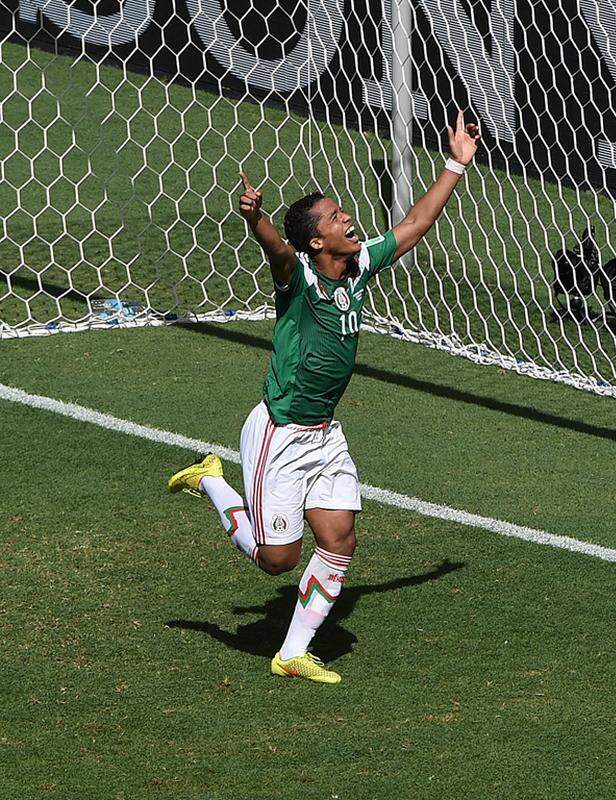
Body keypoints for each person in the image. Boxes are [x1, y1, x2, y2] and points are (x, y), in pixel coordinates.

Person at [167, 113, 480, 683]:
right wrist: (258, 219)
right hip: (280, 434)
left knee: (340, 539)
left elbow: (413, 225)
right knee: (276, 562)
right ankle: (211, 477)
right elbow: (278, 254)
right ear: (317, 240)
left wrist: (456, 162)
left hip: (324, 435)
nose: (349, 219)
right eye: (338, 218)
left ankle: (291, 654)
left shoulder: (357, 270)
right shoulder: (300, 278)